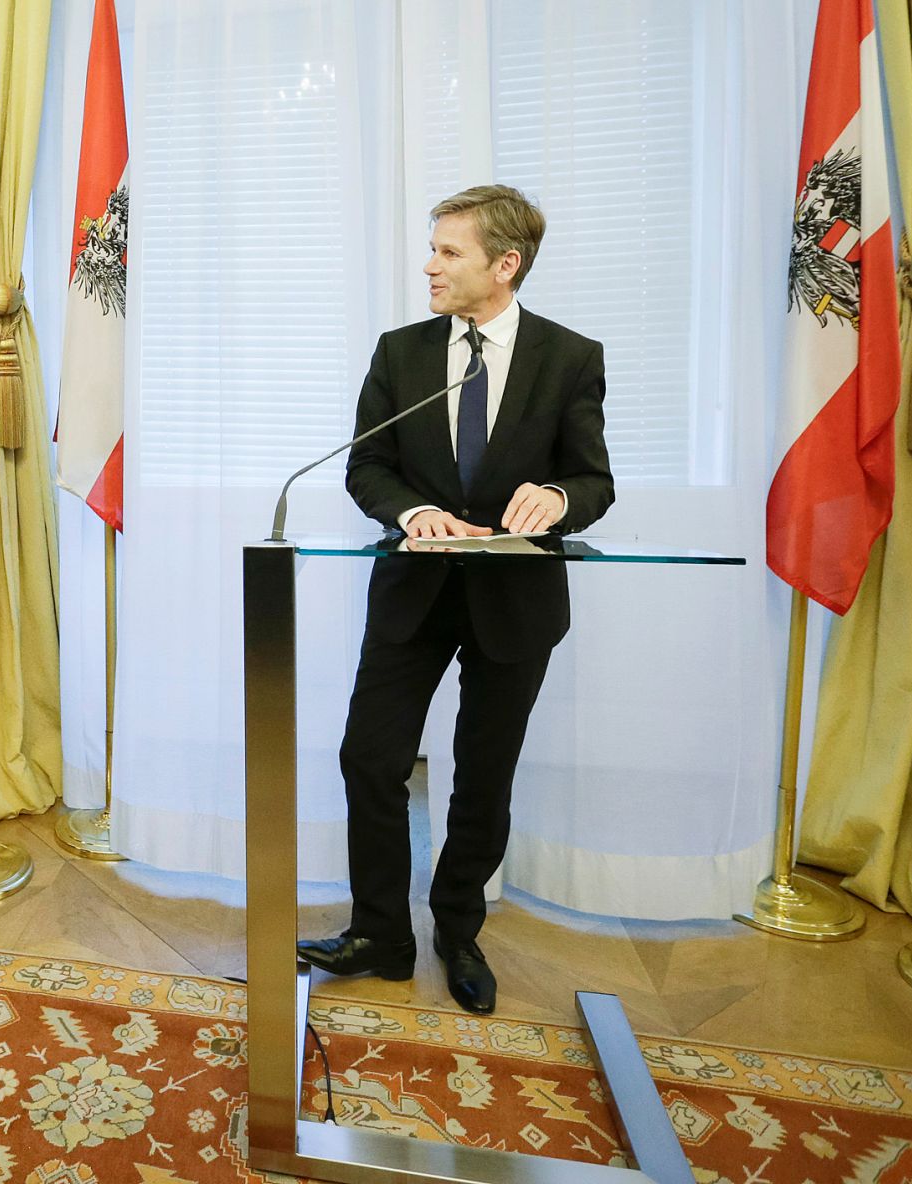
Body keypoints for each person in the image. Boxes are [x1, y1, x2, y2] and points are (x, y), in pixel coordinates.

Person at [297, 186, 615, 1014]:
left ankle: (456, 930)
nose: (429, 265)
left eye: (448, 252)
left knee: (482, 773)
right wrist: (410, 511)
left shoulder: (571, 357)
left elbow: (593, 481)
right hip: (414, 592)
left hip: (516, 602)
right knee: (370, 757)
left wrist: (557, 496)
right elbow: (367, 467)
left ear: (504, 266)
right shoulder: (400, 352)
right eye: (432, 248)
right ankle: (379, 934)